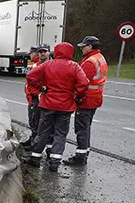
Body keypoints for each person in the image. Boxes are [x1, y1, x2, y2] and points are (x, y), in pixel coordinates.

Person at [26, 42, 89, 172]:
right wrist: (77, 96)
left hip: (48, 104)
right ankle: (55, 162)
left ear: (56, 51)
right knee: (60, 134)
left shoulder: (48, 65)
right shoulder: (74, 66)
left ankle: (35, 158)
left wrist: (41, 88)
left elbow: (30, 76)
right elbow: (84, 83)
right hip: (66, 106)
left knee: (43, 131)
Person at [64, 36, 108, 167]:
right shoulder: (100, 58)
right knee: (87, 127)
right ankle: (85, 152)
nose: (82, 48)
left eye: (83, 46)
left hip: (86, 99)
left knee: (81, 128)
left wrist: (76, 97)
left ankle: (80, 157)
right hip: (95, 98)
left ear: (90, 46)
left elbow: (83, 83)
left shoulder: (90, 62)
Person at [21, 45, 51, 150]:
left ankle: (37, 145)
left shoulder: (52, 65)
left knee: (42, 124)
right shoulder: (35, 65)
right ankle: (33, 141)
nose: (42, 53)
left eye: (44, 51)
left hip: (45, 100)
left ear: (49, 52)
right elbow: (29, 84)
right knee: (34, 121)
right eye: (40, 52)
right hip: (34, 98)